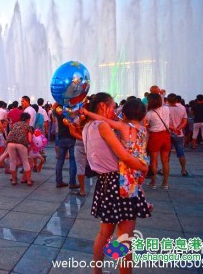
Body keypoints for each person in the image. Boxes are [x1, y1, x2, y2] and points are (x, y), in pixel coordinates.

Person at [82, 93, 150, 274]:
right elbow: (126, 157)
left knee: (104, 233)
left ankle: (97, 271)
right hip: (119, 183)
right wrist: (144, 168)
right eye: (112, 107)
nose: (115, 111)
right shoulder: (104, 125)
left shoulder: (88, 126)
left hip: (105, 184)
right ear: (104, 106)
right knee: (125, 236)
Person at [145, 93, 171, 189]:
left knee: (154, 161)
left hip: (155, 136)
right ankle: (165, 183)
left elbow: (146, 125)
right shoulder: (166, 108)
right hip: (166, 135)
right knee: (165, 161)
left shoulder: (150, 113)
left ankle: (153, 182)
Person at [52, 102, 78, 189]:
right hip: (72, 138)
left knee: (60, 160)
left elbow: (53, 107)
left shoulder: (60, 112)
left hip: (62, 138)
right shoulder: (73, 112)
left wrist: (60, 99)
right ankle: (72, 182)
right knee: (72, 161)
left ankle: (59, 181)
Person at [6, 112, 33, 186]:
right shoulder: (28, 126)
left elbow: (8, 135)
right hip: (21, 144)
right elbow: (30, 140)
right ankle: (28, 181)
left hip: (10, 143)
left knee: (12, 162)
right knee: (25, 162)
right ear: (28, 119)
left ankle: (14, 180)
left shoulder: (15, 124)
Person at [167, 93, 188, 175]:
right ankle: (183, 170)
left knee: (167, 153)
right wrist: (178, 129)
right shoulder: (182, 108)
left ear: (167, 100)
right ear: (176, 100)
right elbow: (184, 121)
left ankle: (164, 169)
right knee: (181, 153)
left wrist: (173, 129)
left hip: (168, 133)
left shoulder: (165, 109)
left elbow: (165, 122)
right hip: (179, 134)